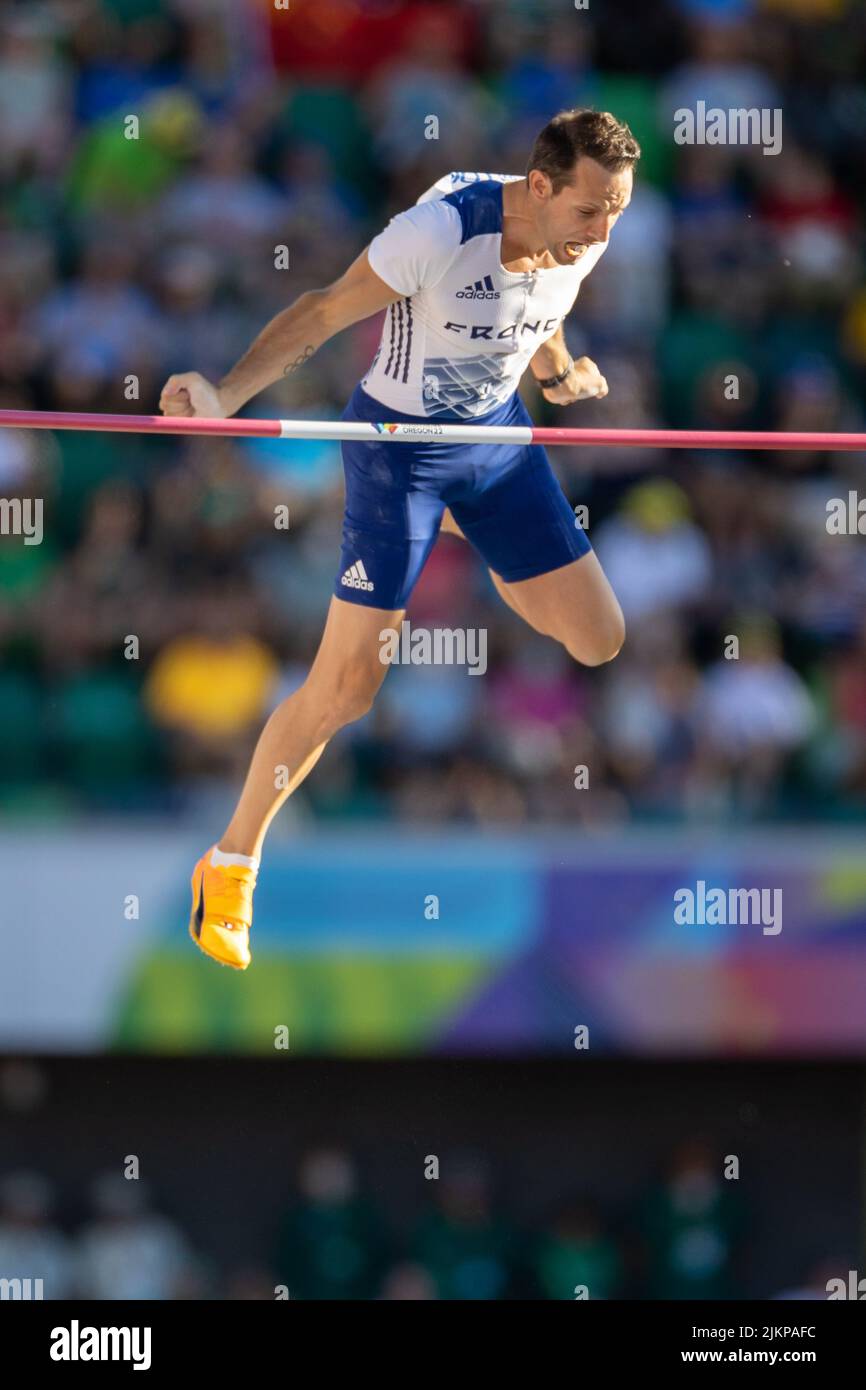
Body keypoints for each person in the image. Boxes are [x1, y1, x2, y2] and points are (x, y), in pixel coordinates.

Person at [160, 108, 637, 969]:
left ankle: (460, 528)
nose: (603, 231)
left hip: (494, 445)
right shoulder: (439, 231)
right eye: (589, 212)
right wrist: (227, 399)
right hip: (398, 456)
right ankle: (230, 864)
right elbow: (318, 313)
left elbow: (546, 299)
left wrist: (556, 368)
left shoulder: (585, 230)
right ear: (539, 187)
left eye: (616, 212)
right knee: (346, 692)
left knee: (599, 640)